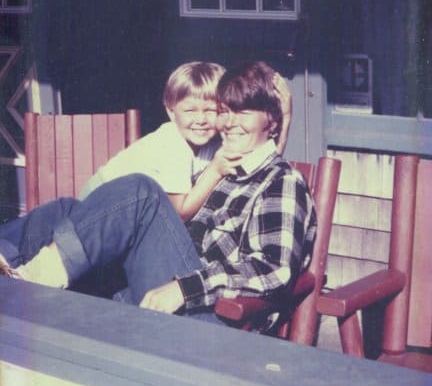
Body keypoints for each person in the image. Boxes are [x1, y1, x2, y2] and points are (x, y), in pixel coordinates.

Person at [0, 61, 314, 325]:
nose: (228, 123)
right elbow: (261, 150)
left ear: (269, 122)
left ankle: (29, 284)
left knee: (142, 191)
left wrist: (184, 288)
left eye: (242, 113)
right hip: (157, 292)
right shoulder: (228, 166)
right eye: (226, 111)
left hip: (203, 316)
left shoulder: (283, 182)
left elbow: (275, 269)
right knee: (70, 209)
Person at [79, 61, 293, 222]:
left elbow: (263, 163)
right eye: (190, 110)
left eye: (211, 110)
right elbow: (179, 214)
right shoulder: (172, 144)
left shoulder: (215, 142)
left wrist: (285, 117)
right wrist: (215, 170)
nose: (200, 120)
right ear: (171, 112)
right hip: (102, 205)